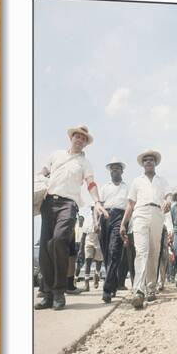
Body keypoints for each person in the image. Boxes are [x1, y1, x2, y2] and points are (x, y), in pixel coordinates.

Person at [35, 125, 108, 311]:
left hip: (68, 205)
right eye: (77, 136)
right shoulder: (56, 155)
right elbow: (42, 172)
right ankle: (49, 295)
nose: (80, 140)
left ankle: (59, 291)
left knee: (59, 240)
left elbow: (91, 183)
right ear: (71, 138)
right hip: (48, 202)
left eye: (84, 138)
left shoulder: (85, 163)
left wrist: (98, 202)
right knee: (45, 247)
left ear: (86, 143)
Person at [120, 150, 172, 309]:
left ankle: (151, 288)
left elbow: (169, 195)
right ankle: (139, 291)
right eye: (146, 160)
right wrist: (123, 223)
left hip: (157, 213)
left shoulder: (162, 181)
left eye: (151, 160)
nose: (148, 162)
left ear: (155, 163)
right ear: (143, 164)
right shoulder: (137, 181)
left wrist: (168, 201)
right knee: (141, 252)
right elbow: (130, 205)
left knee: (154, 252)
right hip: (140, 213)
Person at [98, 158, 129, 303]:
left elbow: (130, 207)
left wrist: (126, 224)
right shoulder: (104, 187)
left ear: (122, 171)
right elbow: (99, 205)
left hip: (120, 218)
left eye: (117, 168)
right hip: (105, 218)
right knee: (106, 254)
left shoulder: (127, 188)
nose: (114, 170)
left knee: (114, 251)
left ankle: (107, 290)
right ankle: (114, 283)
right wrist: (96, 222)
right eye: (112, 168)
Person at [82, 207, 104, 292]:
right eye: (92, 209)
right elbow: (83, 234)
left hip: (98, 240)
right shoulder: (87, 219)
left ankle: (97, 275)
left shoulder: (101, 218)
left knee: (99, 261)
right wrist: (81, 248)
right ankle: (86, 283)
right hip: (89, 240)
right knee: (88, 261)